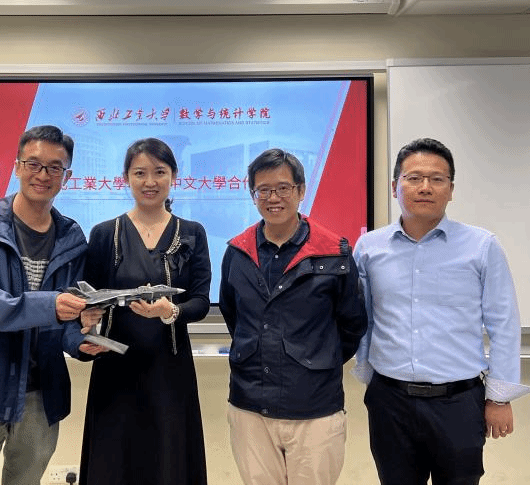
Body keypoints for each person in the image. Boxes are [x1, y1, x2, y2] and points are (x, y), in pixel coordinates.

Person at [0, 125, 104, 485]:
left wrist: (81, 342)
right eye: (34, 164)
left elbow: (69, 317)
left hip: (41, 395)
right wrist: (52, 305)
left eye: (55, 167)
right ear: (17, 166)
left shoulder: (72, 237)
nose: (43, 175)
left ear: (67, 176)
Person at [353, 137, 527, 485]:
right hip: (390, 401)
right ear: (394, 186)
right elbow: (364, 318)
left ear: (451, 189)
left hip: (458, 402)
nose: (425, 187)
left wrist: (498, 399)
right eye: (413, 178)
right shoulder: (369, 248)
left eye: (437, 179)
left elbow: (504, 324)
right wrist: (369, 376)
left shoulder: (481, 246)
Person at [219, 148, 367, 485]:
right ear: (252, 194)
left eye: (283, 188)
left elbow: (352, 325)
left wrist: (315, 360)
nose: (274, 198)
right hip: (249, 406)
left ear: (301, 191)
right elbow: (233, 315)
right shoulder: (237, 252)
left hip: (315, 408)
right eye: (263, 190)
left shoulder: (334, 252)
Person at [78, 137, 211, 485]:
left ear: (174, 176)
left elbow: (200, 300)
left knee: (169, 460)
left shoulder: (192, 233)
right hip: (115, 368)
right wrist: (86, 318)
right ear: (126, 177)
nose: (150, 181)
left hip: (170, 368)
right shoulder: (104, 234)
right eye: (140, 173)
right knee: (115, 461)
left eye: (159, 172)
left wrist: (171, 311)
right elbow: (87, 298)